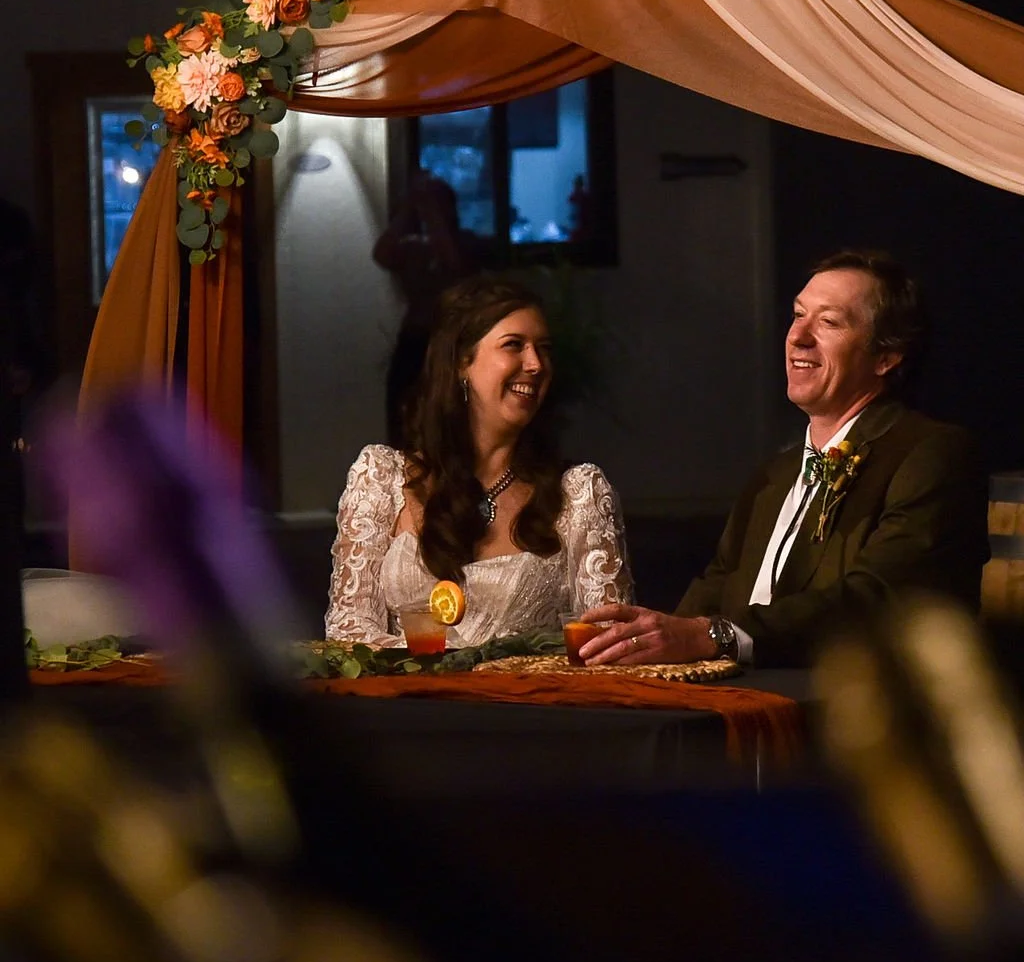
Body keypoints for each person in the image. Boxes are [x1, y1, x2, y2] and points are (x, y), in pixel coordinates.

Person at [577, 250, 989, 669]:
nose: (798, 336)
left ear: (886, 357)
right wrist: (643, 645)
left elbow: (878, 597)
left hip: (846, 716)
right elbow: (713, 590)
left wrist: (716, 637)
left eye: (828, 322)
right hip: (738, 708)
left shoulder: (932, 453)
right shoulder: (775, 475)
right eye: (797, 315)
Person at [325, 277, 632, 646]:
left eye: (544, 349)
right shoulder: (381, 477)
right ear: (461, 363)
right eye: (514, 345)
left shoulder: (579, 493)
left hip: (528, 703)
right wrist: (450, 668)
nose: (535, 364)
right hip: (407, 703)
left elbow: (609, 644)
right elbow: (348, 633)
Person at [373, 171, 483, 447]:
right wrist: (410, 207)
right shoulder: (415, 248)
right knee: (403, 417)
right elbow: (382, 253)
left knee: (450, 421)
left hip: (452, 342)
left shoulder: (467, 242)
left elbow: (453, 264)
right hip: (414, 340)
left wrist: (432, 212)